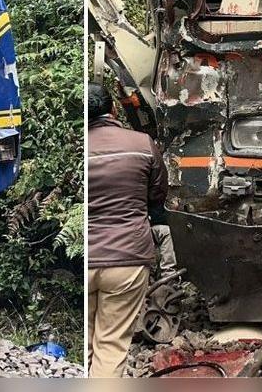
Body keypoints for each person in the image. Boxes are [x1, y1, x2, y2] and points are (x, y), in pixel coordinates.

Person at [87, 82, 168, 378]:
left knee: (86, 347)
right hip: (128, 259)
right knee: (110, 346)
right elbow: (158, 195)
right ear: (112, 109)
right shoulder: (142, 143)